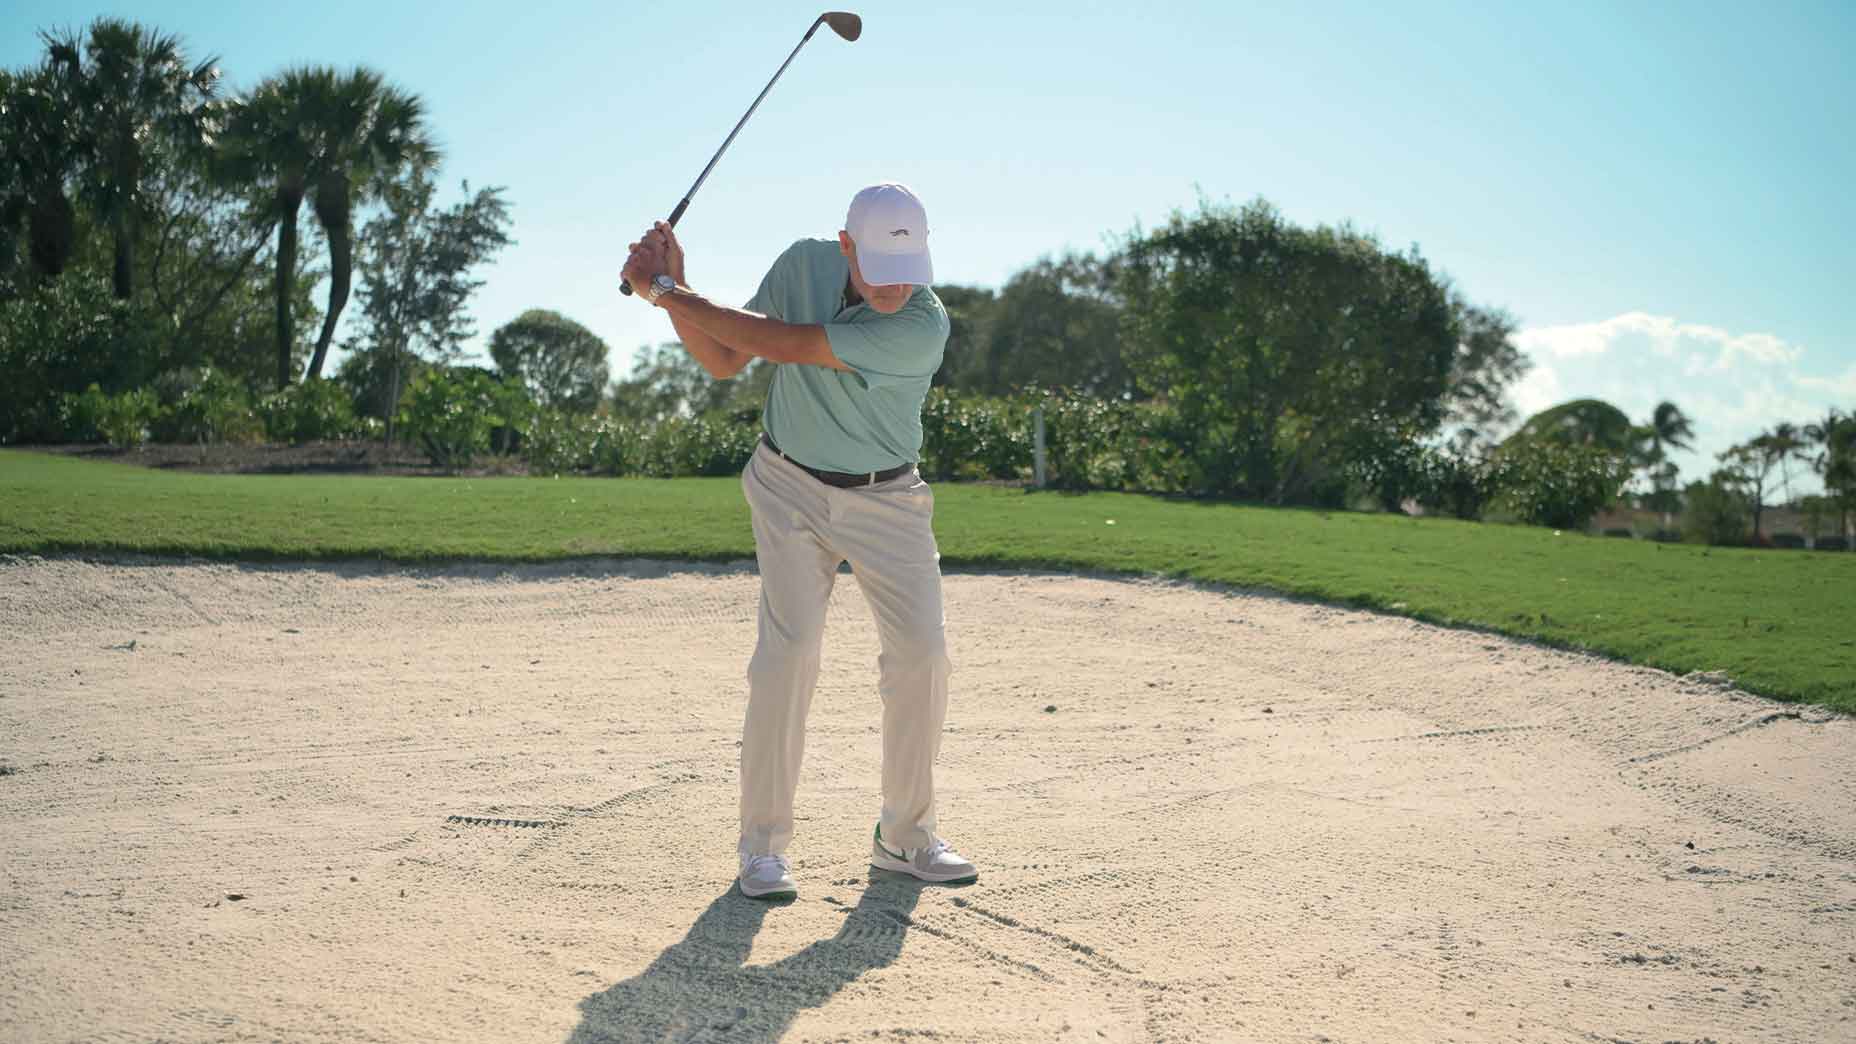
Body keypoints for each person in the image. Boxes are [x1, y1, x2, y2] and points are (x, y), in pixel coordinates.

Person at [620, 182, 978, 900]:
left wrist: (661, 289)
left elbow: (782, 344)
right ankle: (762, 849)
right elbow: (727, 358)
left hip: (889, 500)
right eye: (878, 266)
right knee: (787, 657)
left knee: (923, 656)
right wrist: (676, 288)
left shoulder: (922, 325)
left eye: (907, 271)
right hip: (789, 486)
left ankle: (904, 838)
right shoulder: (802, 266)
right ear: (845, 246)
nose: (894, 287)